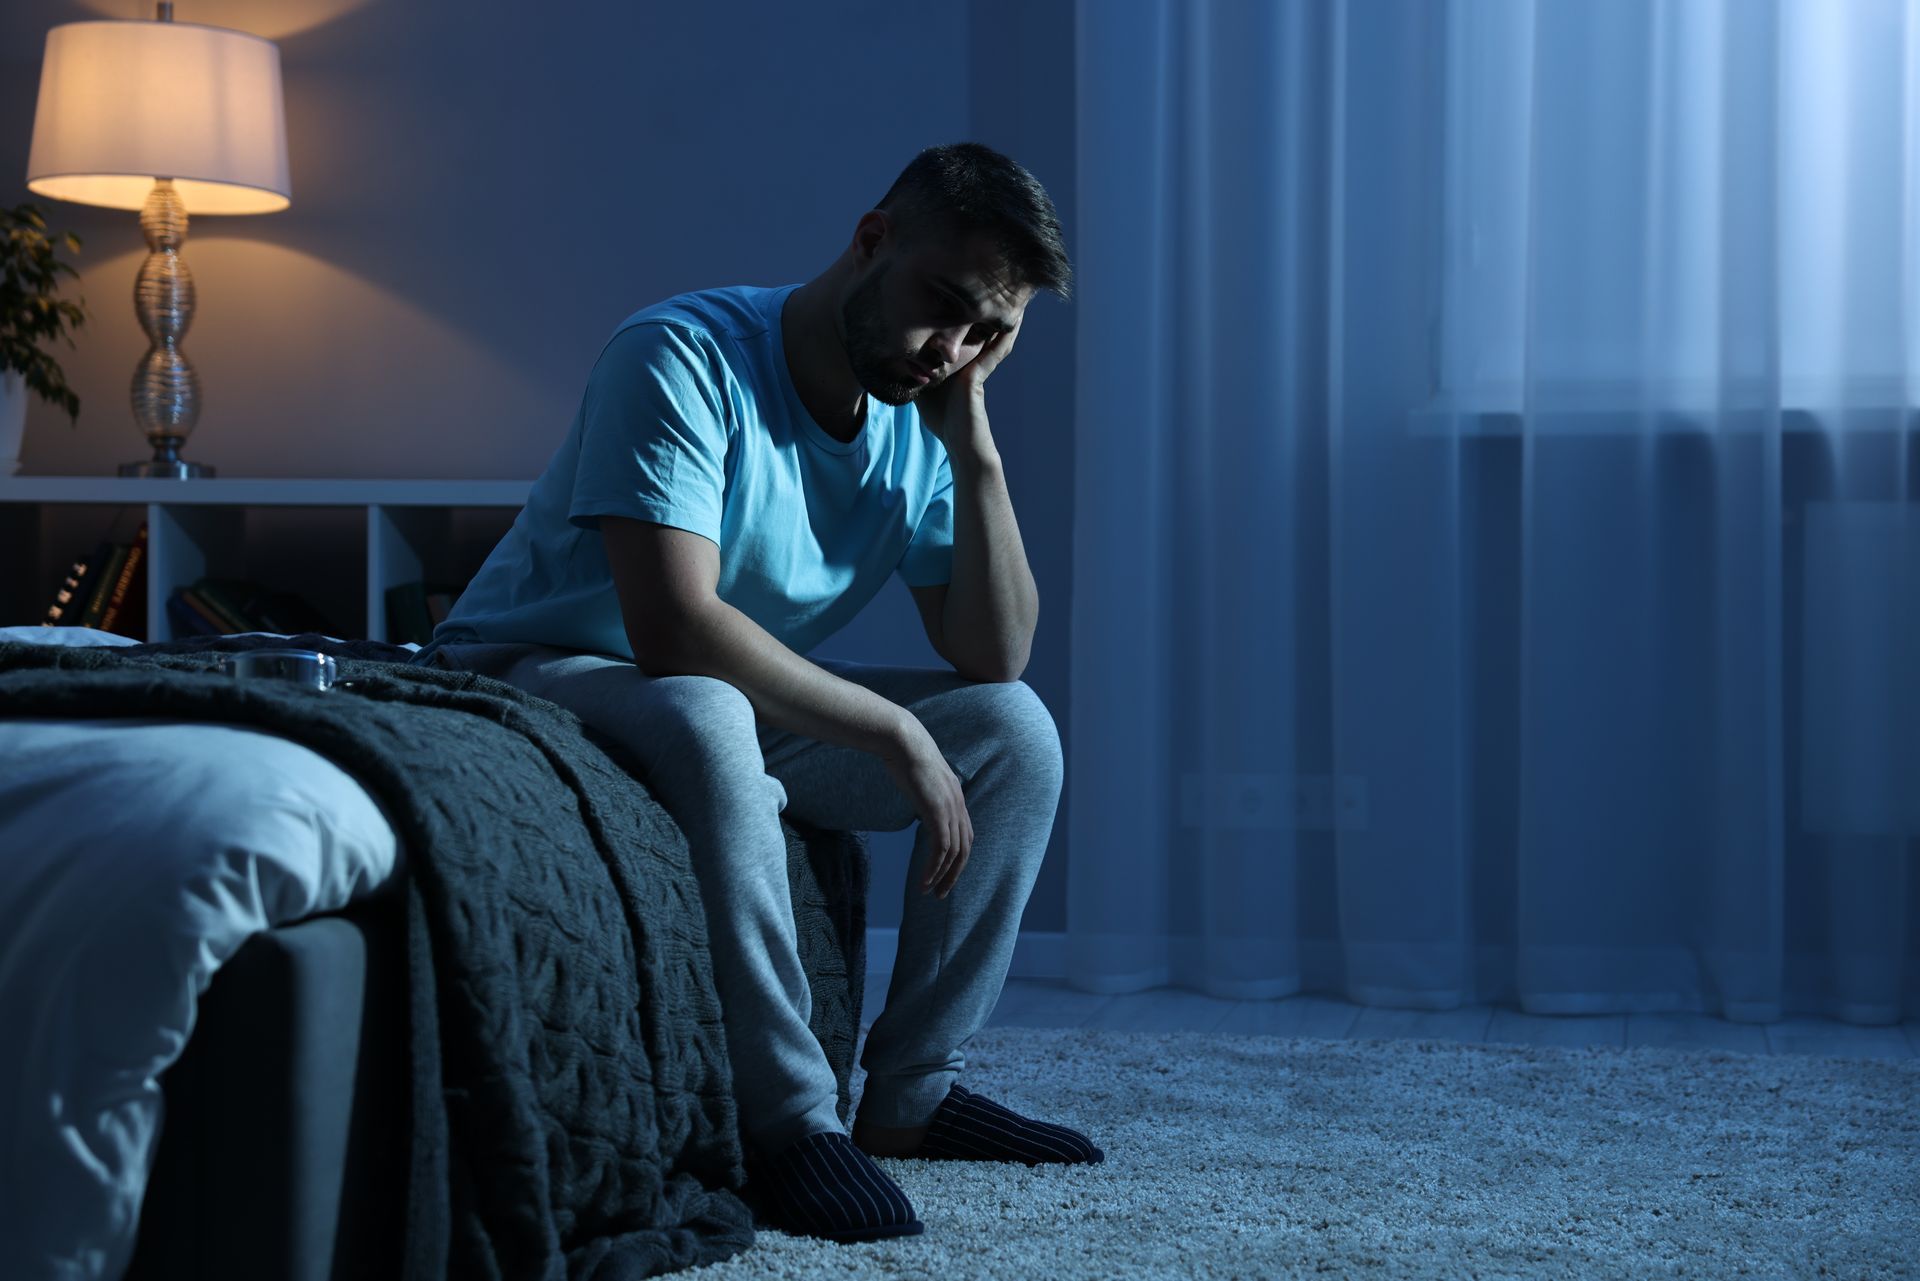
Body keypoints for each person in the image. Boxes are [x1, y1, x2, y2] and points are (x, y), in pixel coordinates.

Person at [411, 141, 1102, 1244]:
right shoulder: (681, 352)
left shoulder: (923, 419)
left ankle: (913, 1094)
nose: (953, 349)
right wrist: (886, 729)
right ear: (872, 238)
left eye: (987, 333)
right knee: (708, 702)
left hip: (719, 704)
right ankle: (792, 1123)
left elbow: (993, 655)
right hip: (535, 672)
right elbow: (672, 624)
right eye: (945, 306)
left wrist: (975, 448)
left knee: (1012, 732)